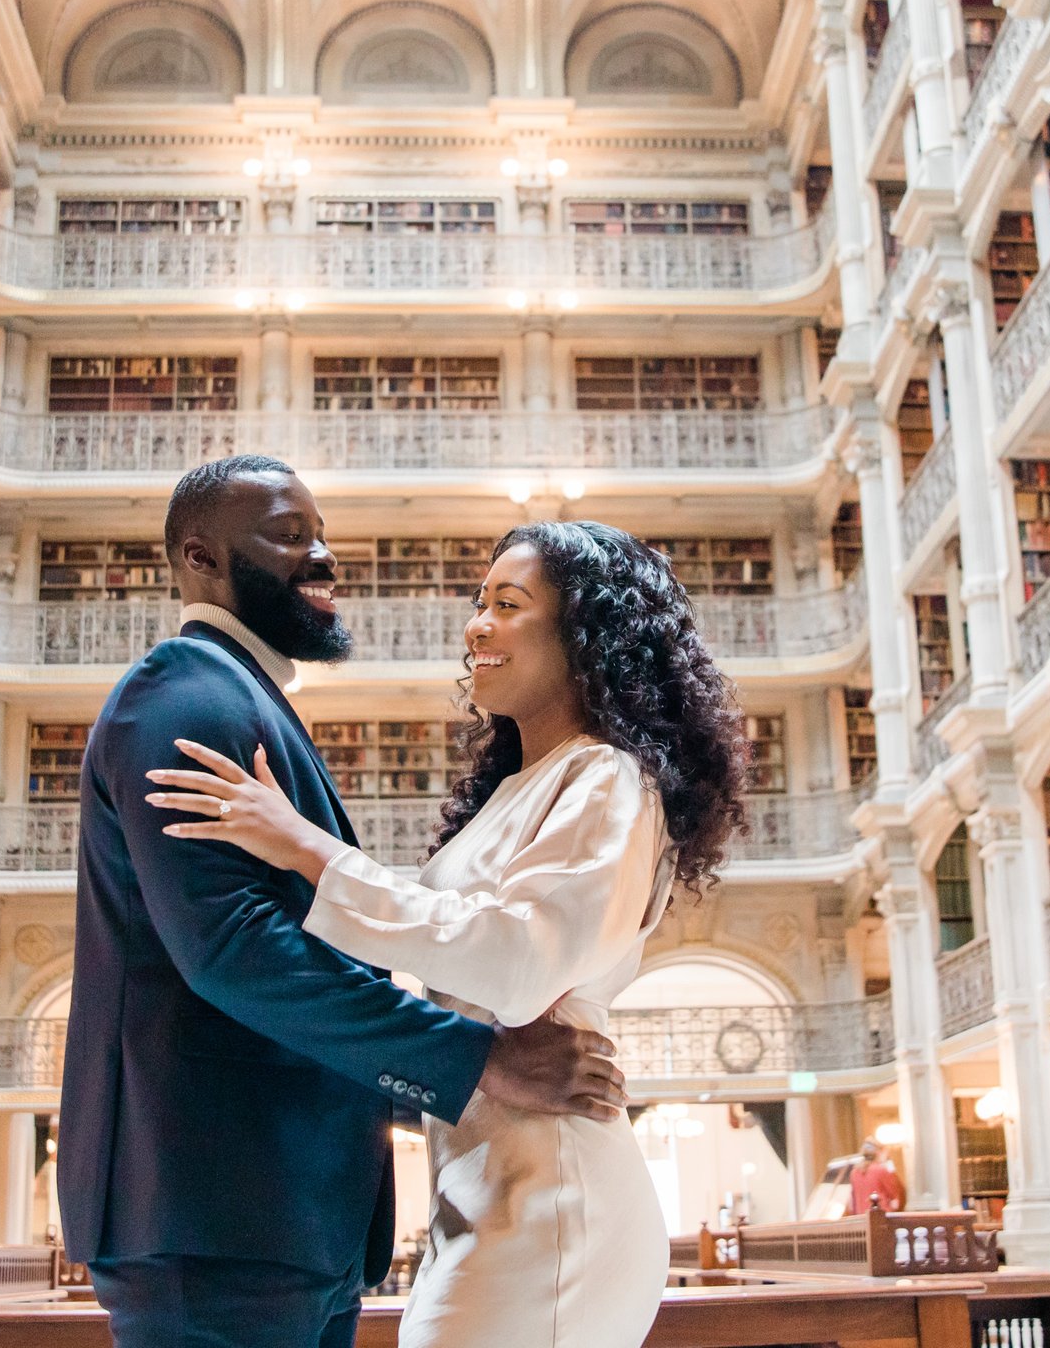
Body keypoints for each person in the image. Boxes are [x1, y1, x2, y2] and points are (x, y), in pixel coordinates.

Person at [58, 456, 629, 1348]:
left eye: (321, 535)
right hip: (211, 1217)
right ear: (201, 558)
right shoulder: (183, 697)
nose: (322, 556)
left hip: (282, 1222)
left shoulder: (244, 701)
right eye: (289, 536)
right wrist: (477, 1062)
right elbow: (234, 948)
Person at [146, 519, 754, 1348]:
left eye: (508, 604)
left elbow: (516, 962)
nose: (476, 625)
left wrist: (304, 848)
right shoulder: (520, 788)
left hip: (554, 1193)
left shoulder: (608, 776)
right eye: (478, 602)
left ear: (586, 634)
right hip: (485, 1182)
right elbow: (458, 943)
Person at [849, 1137, 907, 1214]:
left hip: (862, 1218)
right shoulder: (881, 1170)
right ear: (879, 1152)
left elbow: (852, 1204)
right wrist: (889, 1163)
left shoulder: (854, 1172)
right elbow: (897, 1196)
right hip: (881, 1217)